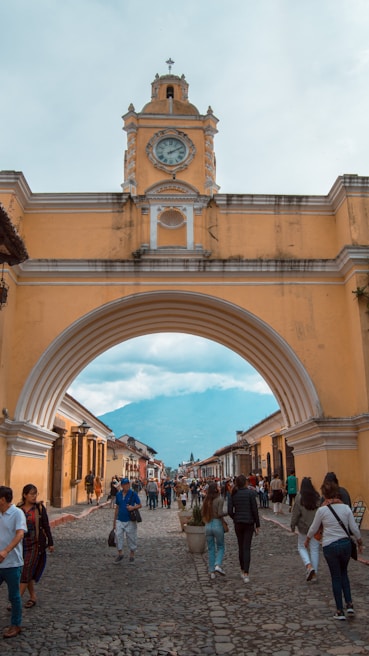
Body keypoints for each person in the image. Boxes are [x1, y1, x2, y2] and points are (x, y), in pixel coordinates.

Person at [305, 478, 363, 620]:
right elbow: (354, 528)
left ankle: (339, 611)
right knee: (344, 574)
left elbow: (314, 527)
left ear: (324, 494)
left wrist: (307, 539)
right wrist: (360, 541)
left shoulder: (322, 510)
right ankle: (349, 604)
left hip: (330, 546)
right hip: (345, 545)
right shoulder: (345, 508)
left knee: (335, 577)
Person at [17, 484, 54, 608]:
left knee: (26, 570)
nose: (34, 496)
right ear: (25, 495)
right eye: (31, 494)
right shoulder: (18, 509)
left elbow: (46, 525)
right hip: (21, 544)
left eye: (35, 494)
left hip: (35, 544)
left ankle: (16, 600)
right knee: (27, 572)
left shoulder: (39, 508)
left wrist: (51, 542)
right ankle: (33, 596)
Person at [0, 486, 27, 639]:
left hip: (12, 563)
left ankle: (16, 624)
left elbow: (20, 534)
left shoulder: (17, 513)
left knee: (14, 596)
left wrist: (6, 551)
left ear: (2, 499)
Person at [228, 474, 260, 583]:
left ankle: (242, 570)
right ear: (245, 482)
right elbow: (255, 510)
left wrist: (235, 517)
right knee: (247, 547)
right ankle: (246, 573)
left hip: (238, 523)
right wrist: (257, 524)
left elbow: (229, 511)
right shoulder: (250, 493)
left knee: (240, 546)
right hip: (249, 523)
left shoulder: (233, 494)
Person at [291, 477, 320, 581]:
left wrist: (292, 525)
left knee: (301, 547)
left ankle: (309, 566)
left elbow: (295, 513)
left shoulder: (299, 497)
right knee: (315, 549)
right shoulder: (317, 497)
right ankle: (314, 574)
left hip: (303, 527)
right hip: (315, 527)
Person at [201, 482, 228, 579]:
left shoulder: (206, 500)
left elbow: (202, 513)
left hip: (208, 525)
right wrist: (227, 513)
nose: (220, 488)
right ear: (216, 489)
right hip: (217, 524)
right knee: (220, 547)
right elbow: (220, 513)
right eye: (218, 486)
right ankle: (217, 564)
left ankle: (211, 571)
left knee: (211, 549)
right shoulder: (219, 499)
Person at [113, 477, 142, 564]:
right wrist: (114, 521)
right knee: (118, 537)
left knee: (131, 537)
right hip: (120, 519)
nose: (127, 486)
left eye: (128, 484)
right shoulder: (118, 495)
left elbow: (140, 505)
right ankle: (120, 553)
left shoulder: (133, 494)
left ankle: (132, 554)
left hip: (130, 520)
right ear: (122, 485)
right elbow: (117, 507)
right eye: (125, 484)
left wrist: (133, 507)